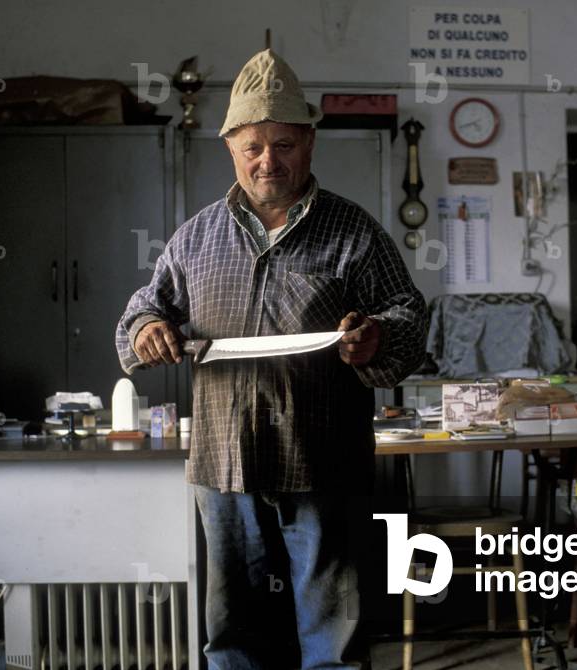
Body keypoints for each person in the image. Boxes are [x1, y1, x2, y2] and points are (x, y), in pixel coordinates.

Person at [115, 48, 427, 669]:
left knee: (330, 627)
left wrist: (376, 339)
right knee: (232, 629)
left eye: (284, 145)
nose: (268, 161)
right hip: (223, 458)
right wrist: (148, 326)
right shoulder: (195, 237)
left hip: (321, 456)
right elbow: (141, 311)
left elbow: (408, 314)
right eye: (253, 146)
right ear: (229, 146)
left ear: (309, 144)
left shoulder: (354, 231)